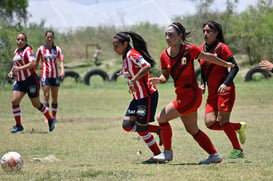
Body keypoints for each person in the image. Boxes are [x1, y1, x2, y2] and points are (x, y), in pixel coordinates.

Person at [148, 22, 234, 164]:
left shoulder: (189, 50)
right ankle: (214, 155)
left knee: (161, 117)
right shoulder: (164, 55)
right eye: (166, 35)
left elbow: (208, 57)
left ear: (180, 36)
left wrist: (226, 64)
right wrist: (159, 80)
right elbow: (165, 77)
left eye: (171, 35)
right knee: (192, 130)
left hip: (191, 96)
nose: (167, 38)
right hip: (182, 96)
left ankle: (167, 154)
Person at [112, 31, 162, 163]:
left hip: (146, 97)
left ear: (125, 43)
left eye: (117, 46)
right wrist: (124, 73)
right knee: (127, 125)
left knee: (141, 128)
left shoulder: (132, 54)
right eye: (113, 46)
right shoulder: (125, 57)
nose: (115, 49)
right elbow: (132, 69)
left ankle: (157, 156)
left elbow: (146, 66)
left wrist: (133, 80)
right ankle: (158, 130)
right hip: (137, 98)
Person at [199, 21, 246, 159]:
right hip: (212, 92)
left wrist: (225, 83)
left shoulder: (222, 48)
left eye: (209, 31)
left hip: (225, 90)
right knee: (209, 123)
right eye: (204, 31)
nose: (206, 34)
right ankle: (238, 126)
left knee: (223, 121)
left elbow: (235, 67)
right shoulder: (201, 49)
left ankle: (238, 150)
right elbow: (202, 68)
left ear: (216, 33)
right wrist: (203, 84)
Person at [8, 33, 55, 133]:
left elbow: (33, 63)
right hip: (20, 81)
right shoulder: (16, 51)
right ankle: (19, 125)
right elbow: (15, 64)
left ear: (26, 41)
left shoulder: (27, 50)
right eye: (18, 39)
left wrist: (19, 68)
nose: (20, 41)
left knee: (36, 104)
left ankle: (50, 118)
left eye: (22, 40)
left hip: (30, 80)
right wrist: (12, 71)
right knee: (14, 101)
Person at [36, 30, 65, 123]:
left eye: (51, 37)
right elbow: (36, 62)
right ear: (45, 38)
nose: (49, 39)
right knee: (46, 96)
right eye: (48, 37)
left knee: (55, 97)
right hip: (45, 75)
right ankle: (47, 117)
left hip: (55, 76)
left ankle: (54, 117)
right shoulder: (40, 49)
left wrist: (63, 71)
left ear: (53, 38)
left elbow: (61, 61)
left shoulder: (57, 49)